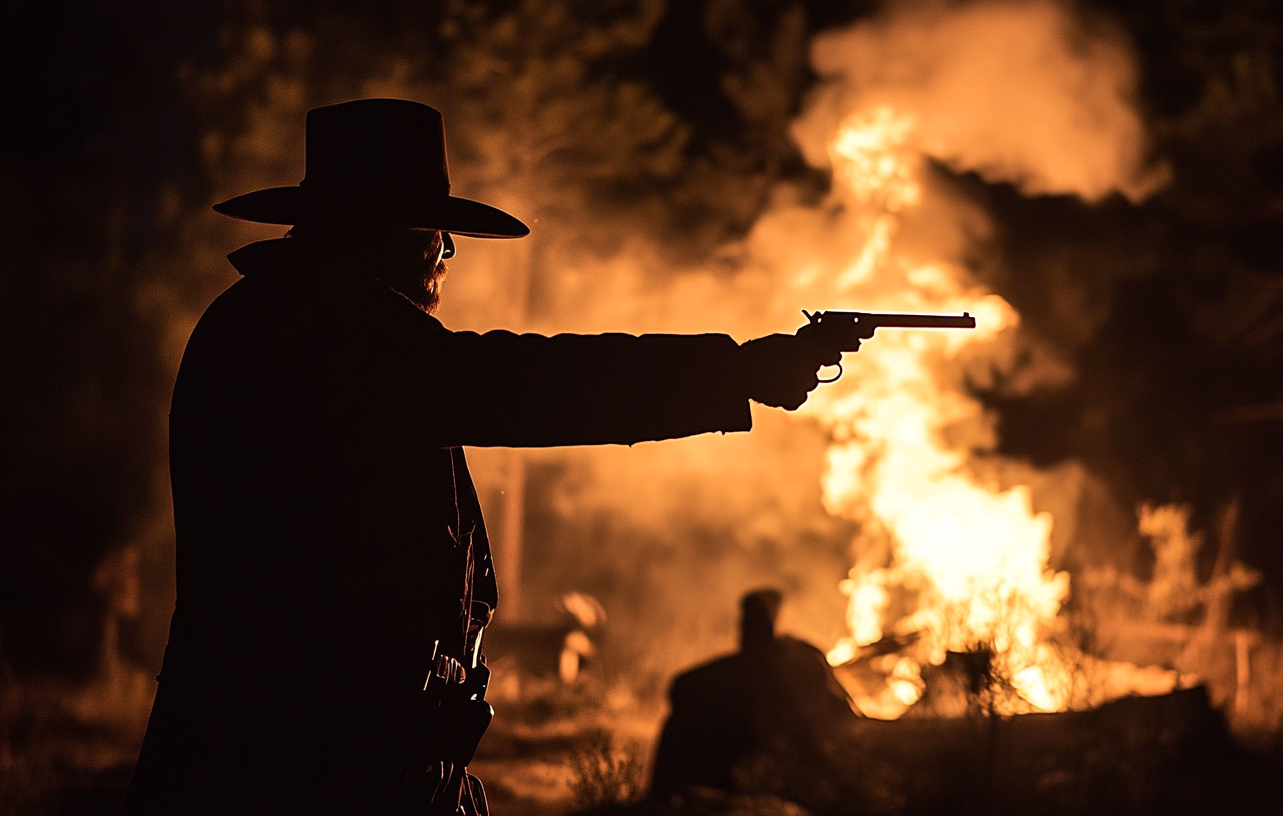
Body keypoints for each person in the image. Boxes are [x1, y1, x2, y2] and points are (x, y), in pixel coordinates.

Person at [122, 99, 846, 815]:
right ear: (384, 232)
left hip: (320, 758)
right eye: (436, 231)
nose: (448, 252)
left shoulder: (281, 319)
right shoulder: (328, 335)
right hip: (301, 770)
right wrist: (735, 373)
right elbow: (527, 386)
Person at [650, 589, 858, 807]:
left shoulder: (790, 665)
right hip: (756, 772)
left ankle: (656, 803)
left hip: (748, 770)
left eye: (748, 624)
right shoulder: (789, 668)